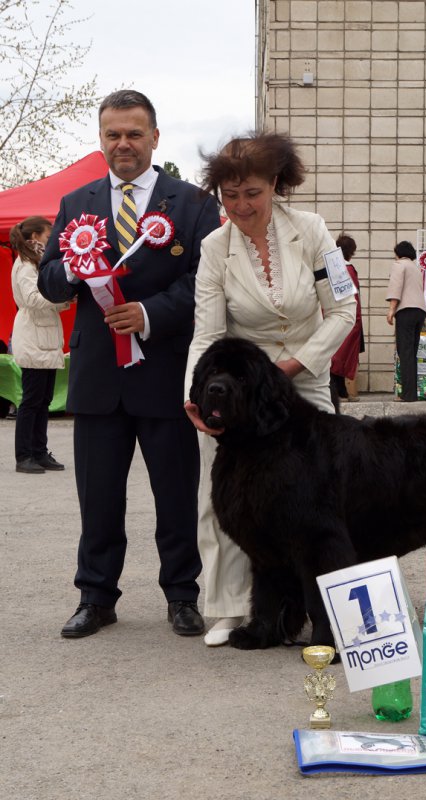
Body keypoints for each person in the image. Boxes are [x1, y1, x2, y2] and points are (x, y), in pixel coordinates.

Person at [38, 90, 221, 638]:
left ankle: (183, 596)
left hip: (166, 375)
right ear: (101, 139)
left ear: (155, 138)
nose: (123, 143)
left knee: (175, 495)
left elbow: (206, 283)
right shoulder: (76, 203)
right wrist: (74, 271)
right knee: (97, 498)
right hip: (97, 380)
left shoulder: (191, 204)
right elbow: (49, 280)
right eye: (113, 134)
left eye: (134, 134)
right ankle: (96, 597)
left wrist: (148, 312)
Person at [183, 132, 356, 646]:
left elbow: (343, 310)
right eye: (229, 196)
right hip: (241, 394)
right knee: (226, 498)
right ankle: (233, 608)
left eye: (252, 193)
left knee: (327, 496)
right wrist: (193, 397)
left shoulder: (313, 231)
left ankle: (337, 608)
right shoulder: (214, 248)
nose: (241, 206)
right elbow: (208, 333)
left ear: (275, 184)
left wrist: (296, 364)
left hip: (308, 375)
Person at [10, 216, 69, 474]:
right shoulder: (24, 265)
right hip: (33, 337)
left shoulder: (37, 263)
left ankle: (40, 451)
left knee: (43, 400)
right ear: (34, 237)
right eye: (47, 236)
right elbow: (33, 299)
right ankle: (24, 456)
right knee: (31, 401)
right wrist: (62, 299)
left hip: (44, 338)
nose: (51, 240)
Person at [385, 241, 426, 402]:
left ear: (398, 253)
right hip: (420, 311)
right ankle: (412, 393)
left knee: (405, 353)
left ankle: (408, 395)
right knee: (412, 353)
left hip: (406, 311)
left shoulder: (399, 264)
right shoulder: (416, 268)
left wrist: (391, 310)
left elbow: (396, 287)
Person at [330, 234, 364, 402]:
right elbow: (353, 298)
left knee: (336, 354)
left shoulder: (332, 268)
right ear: (351, 251)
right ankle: (338, 392)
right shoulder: (348, 269)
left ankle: (342, 391)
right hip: (346, 317)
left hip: (331, 316)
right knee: (342, 356)